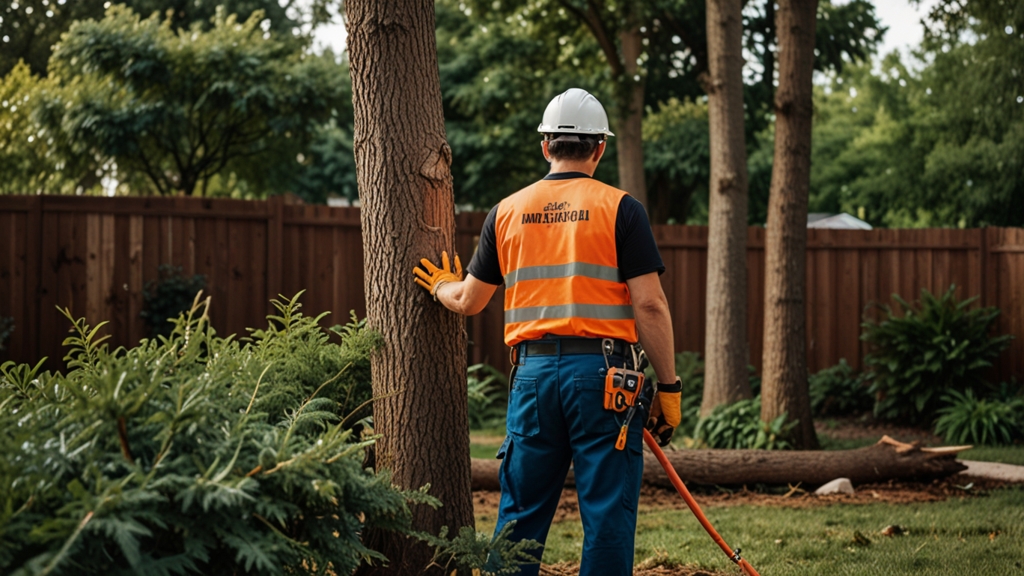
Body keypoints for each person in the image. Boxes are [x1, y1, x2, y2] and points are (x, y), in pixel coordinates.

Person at [413, 88, 681, 576]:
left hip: (532, 377)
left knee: (519, 516)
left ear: (545, 146)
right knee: (606, 516)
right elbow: (649, 303)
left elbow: (469, 301)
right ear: (600, 147)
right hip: (604, 380)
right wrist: (669, 388)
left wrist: (441, 288)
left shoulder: (507, 211)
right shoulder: (622, 209)